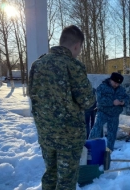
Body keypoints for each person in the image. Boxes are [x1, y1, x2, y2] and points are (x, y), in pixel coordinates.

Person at [28, 25, 96, 189]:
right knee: (66, 181)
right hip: (69, 139)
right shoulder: (73, 66)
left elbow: (33, 97)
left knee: (50, 175)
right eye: (79, 49)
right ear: (76, 45)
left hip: (46, 135)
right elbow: (88, 101)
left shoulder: (37, 64)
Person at [89, 72, 130, 151]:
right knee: (96, 129)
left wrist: (123, 102)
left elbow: (127, 99)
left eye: (118, 83)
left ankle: (109, 151)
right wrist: (112, 102)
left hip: (114, 115)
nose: (116, 85)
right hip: (103, 113)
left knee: (112, 133)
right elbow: (99, 100)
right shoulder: (102, 87)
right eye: (115, 82)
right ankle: (90, 148)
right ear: (111, 80)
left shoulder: (121, 89)